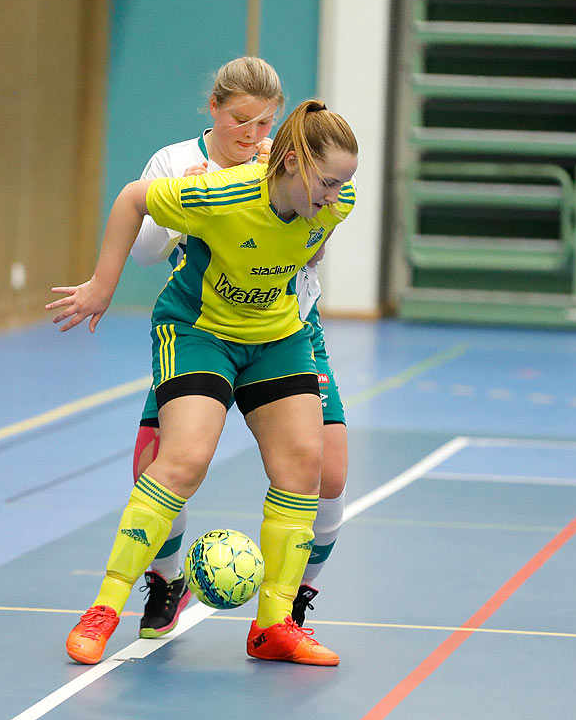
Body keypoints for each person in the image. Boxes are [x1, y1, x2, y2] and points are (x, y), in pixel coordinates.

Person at [48, 98, 358, 668]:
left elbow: (307, 242)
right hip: (199, 332)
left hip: (276, 337)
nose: (336, 196)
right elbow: (132, 200)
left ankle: (273, 627)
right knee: (184, 459)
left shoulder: (334, 204)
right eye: (328, 182)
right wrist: (102, 283)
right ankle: (105, 610)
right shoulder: (223, 196)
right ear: (289, 162)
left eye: (343, 185)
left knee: (304, 468)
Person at [124, 58, 350, 641]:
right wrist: (199, 205)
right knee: (159, 460)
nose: (252, 135)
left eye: (264, 122)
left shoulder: (285, 164)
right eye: (240, 121)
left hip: (287, 324)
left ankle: (289, 604)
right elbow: (146, 252)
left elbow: (312, 241)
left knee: (326, 472)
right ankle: (166, 582)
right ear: (214, 110)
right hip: (202, 323)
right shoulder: (178, 164)